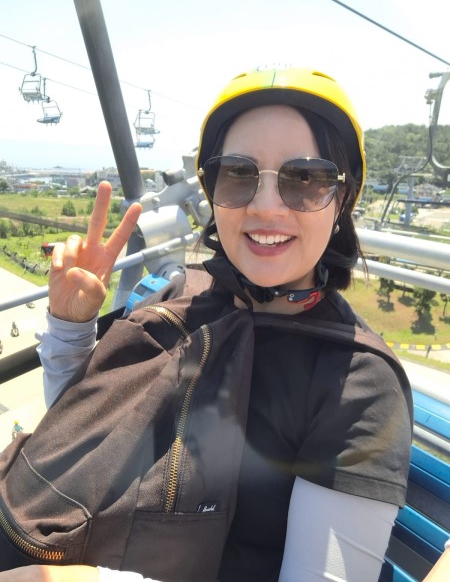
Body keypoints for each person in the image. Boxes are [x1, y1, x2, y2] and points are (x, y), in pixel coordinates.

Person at [1, 67, 413, 582]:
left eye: (306, 179)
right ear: (212, 191)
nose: (266, 206)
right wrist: (71, 327)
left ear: (342, 200)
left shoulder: (358, 385)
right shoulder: (180, 297)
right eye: (238, 173)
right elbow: (87, 442)